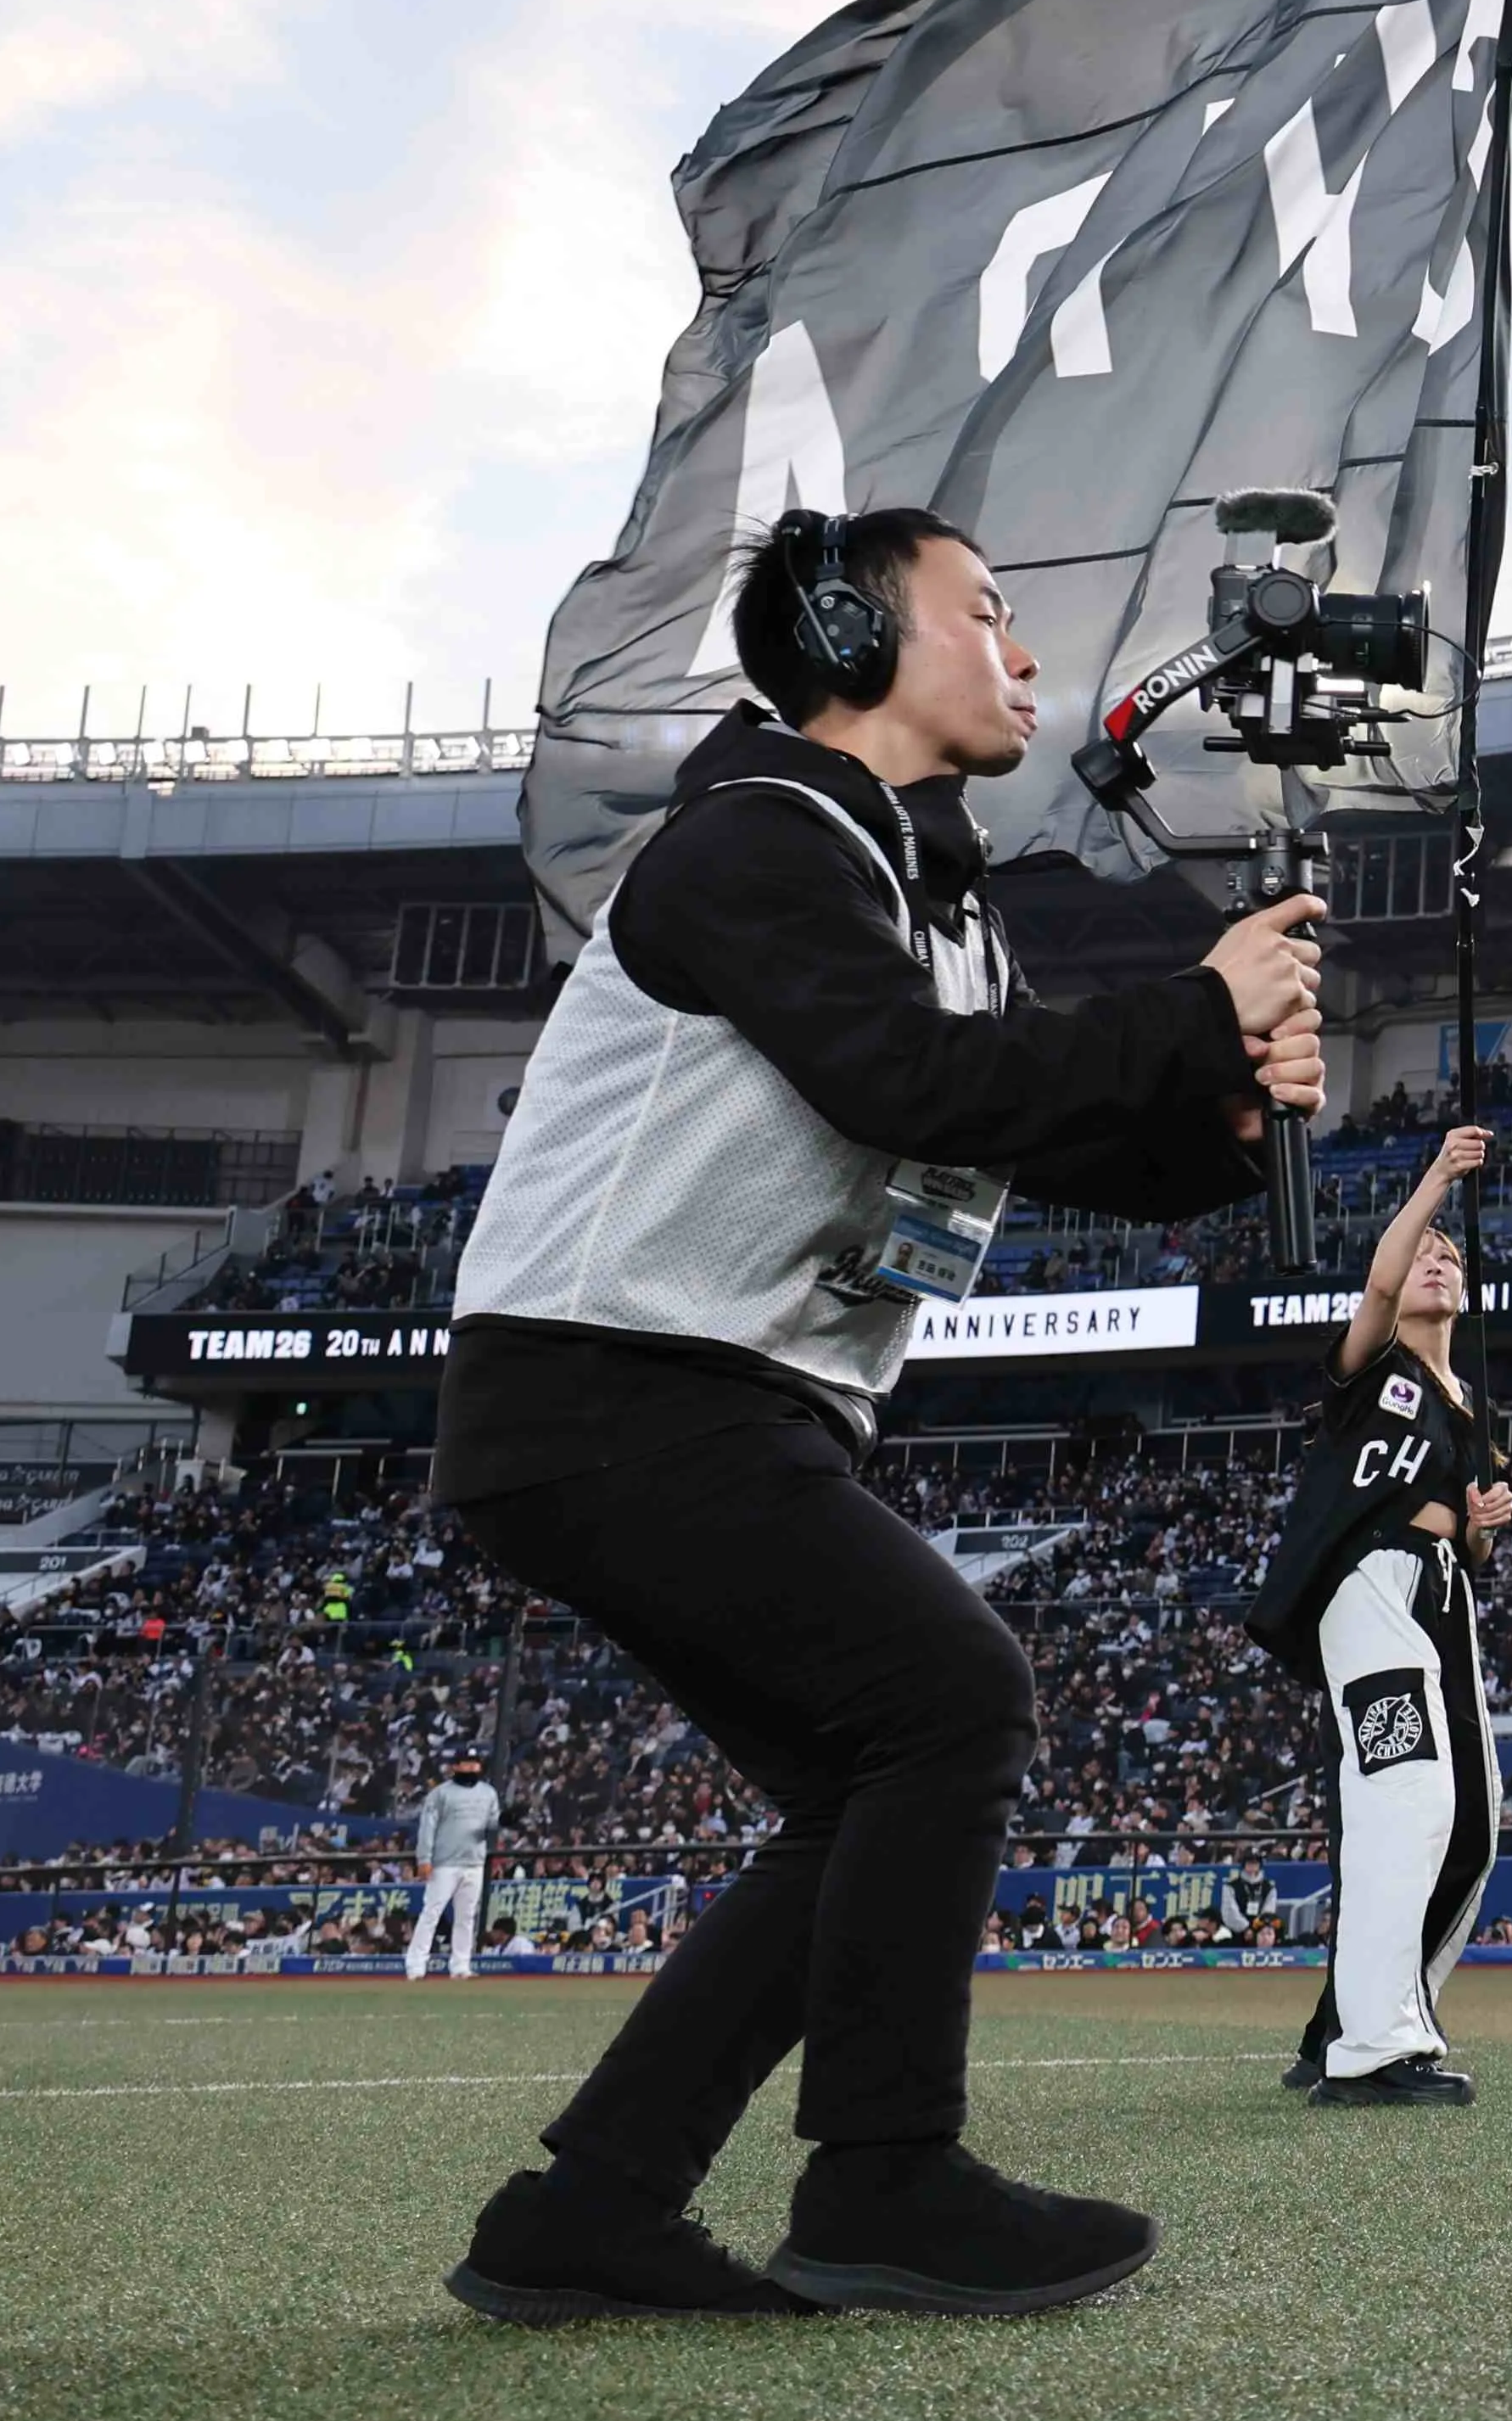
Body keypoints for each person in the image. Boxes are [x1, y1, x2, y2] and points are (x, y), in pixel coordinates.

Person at [428, 506, 1322, 2325]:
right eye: (988, 613)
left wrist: (1218, 1108)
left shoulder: (938, 899)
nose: (1027, 656)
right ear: (851, 633)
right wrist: (1190, 1010)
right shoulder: (754, 841)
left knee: (865, 1789)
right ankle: (885, 2176)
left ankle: (587, 2206)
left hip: (710, 1400)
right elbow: (901, 1075)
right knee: (951, 1693)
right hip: (618, 1381)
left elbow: (1031, 1122)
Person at [1249, 1130, 1512, 2107]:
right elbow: (1374, 1288)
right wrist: (1440, 1179)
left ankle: (1354, 2024)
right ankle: (1372, 2051)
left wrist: (1485, 1529)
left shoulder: (1472, 1407)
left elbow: (1474, 1546)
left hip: (1445, 1594)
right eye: (1427, 1253)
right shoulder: (1372, 1367)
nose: (1440, 1260)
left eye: (1454, 1256)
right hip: (1370, 1587)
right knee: (1402, 1798)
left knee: (1473, 1827)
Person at [405, 1749, 501, 1981]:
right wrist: (424, 1859)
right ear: (455, 1767)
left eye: (474, 1764)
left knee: (467, 1916)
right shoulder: (440, 1794)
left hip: (475, 1862)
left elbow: (493, 1825)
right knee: (431, 1913)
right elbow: (427, 1829)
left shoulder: (488, 1793)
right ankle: (416, 1966)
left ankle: (461, 1965)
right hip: (444, 1862)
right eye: (466, 1764)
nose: (470, 1768)